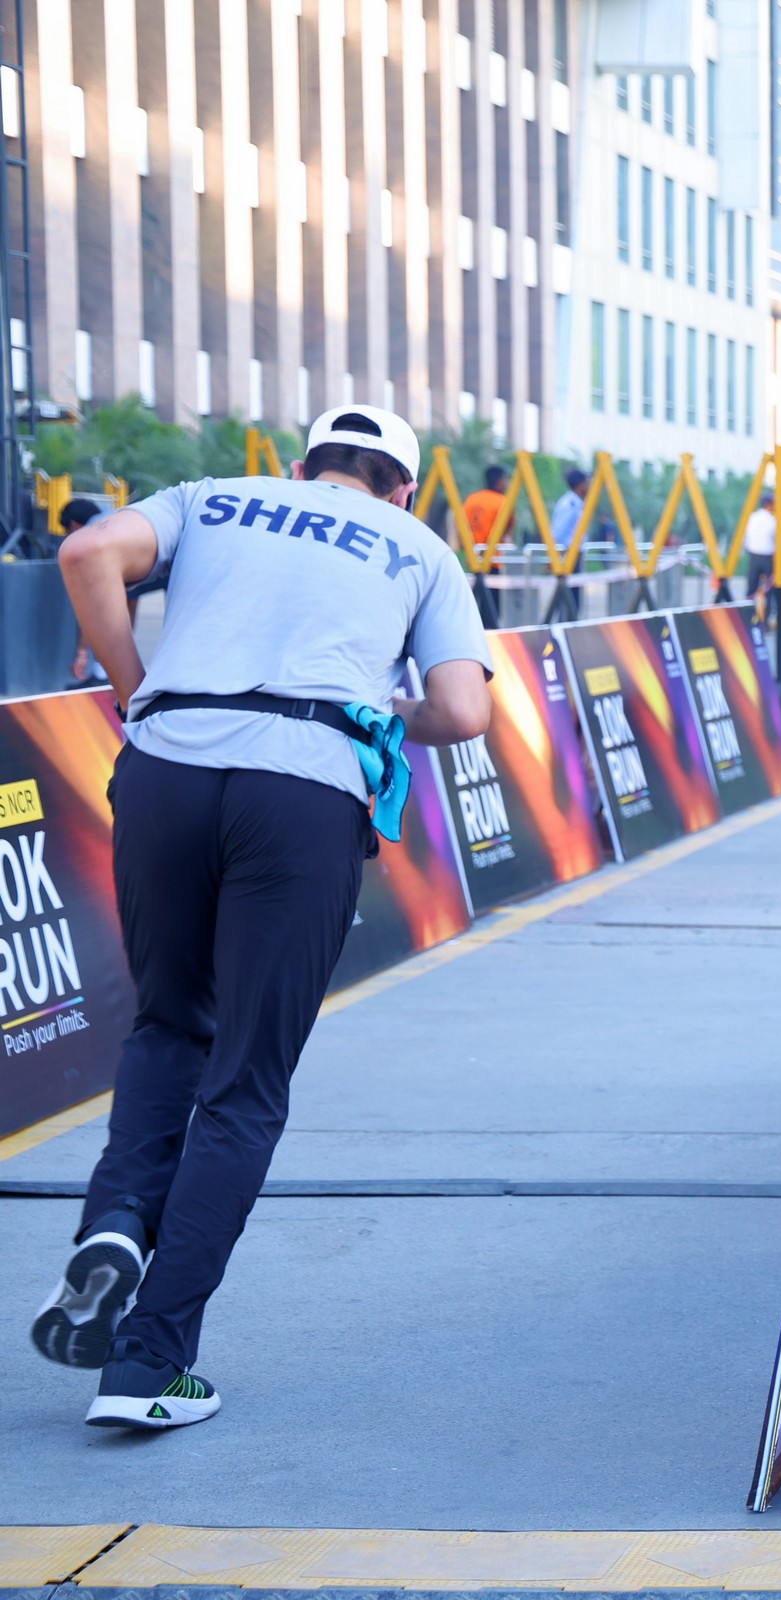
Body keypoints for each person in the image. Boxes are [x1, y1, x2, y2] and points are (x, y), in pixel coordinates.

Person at [30, 406, 494, 1429]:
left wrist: (137, 687)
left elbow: (86, 552)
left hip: (167, 766)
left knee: (168, 1025)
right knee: (245, 1081)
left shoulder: (211, 499)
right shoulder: (419, 547)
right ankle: (148, 1364)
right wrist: (380, 710)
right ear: (405, 489)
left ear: (297, 467)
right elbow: (464, 711)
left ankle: (116, 1222)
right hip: (303, 789)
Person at [61, 498, 108, 685]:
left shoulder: (90, 542)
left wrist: (82, 651)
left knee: (103, 609)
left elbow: (92, 607)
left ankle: (105, 677)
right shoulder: (113, 519)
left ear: (74, 526)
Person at [461, 464, 513, 555]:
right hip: (494, 556)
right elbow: (508, 528)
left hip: (472, 555)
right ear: (500, 481)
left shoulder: (471, 499)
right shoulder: (503, 502)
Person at [741, 496, 781, 605]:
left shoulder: (752, 517)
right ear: (769, 505)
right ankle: (767, 612)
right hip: (768, 557)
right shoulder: (772, 520)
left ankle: (749, 610)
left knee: (752, 586)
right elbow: (777, 538)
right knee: (769, 588)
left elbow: (745, 536)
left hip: (753, 555)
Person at [550, 468, 589, 548]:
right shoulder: (569, 504)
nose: (588, 486)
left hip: (575, 550)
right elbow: (558, 532)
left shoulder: (577, 503)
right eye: (586, 483)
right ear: (579, 485)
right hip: (568, 551)